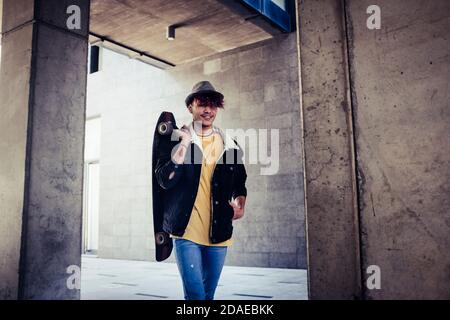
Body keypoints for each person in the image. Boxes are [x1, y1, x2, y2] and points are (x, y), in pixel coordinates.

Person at [154, 81, 248, 300]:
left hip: (219, 233)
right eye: (202, 104)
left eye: (213, 105)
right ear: (191, 107)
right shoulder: (173, 140)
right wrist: (184, 143)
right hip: (187, 231)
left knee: (208, 295)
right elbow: (164, 180)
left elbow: (239, 182)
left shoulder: (229, 145)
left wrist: (240, 203)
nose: (208, 110)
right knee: (195, 295)